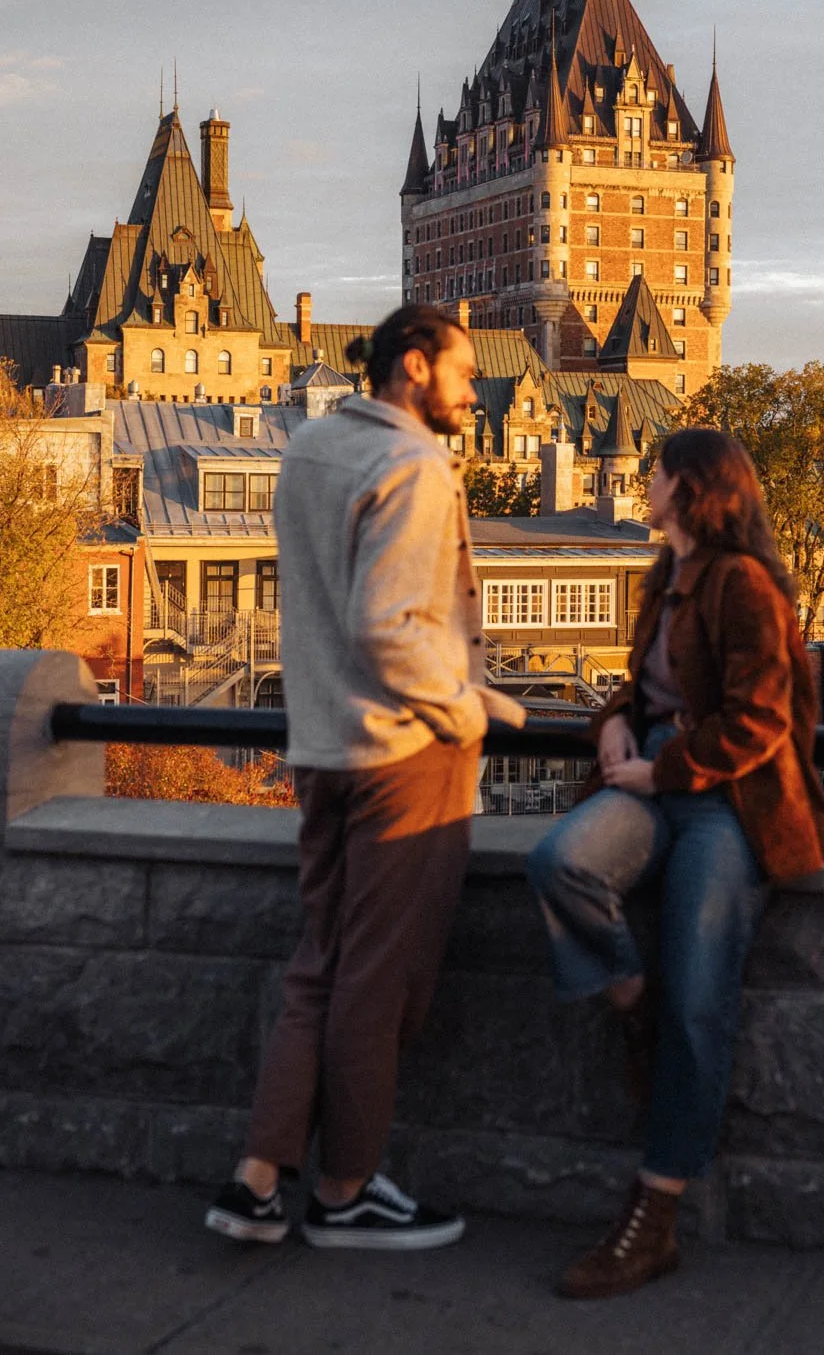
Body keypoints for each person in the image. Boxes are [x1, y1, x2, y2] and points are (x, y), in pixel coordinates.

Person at [206, 303, 522, 1251]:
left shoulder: (308, 446)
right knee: (377, 983)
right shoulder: (414, 466)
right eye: (465, 373)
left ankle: (257, 1179)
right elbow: (390, 624)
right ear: (415, 367)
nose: (475, 391)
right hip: (399, 754)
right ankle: (345, 1190)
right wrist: (466, 708)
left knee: (322, 965)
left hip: (320, 745)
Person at [527, 427, 824, 1299]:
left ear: (690, 490)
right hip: (655, 775)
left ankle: (651, 1218)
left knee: (703, 999)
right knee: (561, 864)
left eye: (654, 472)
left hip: (729, 801)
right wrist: (615, 717)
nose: (642, 481)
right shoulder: (665, 574)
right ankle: (632, 1001)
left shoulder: (745, 584)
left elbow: (759, 719)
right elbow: (649, 682)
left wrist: (660, 766)